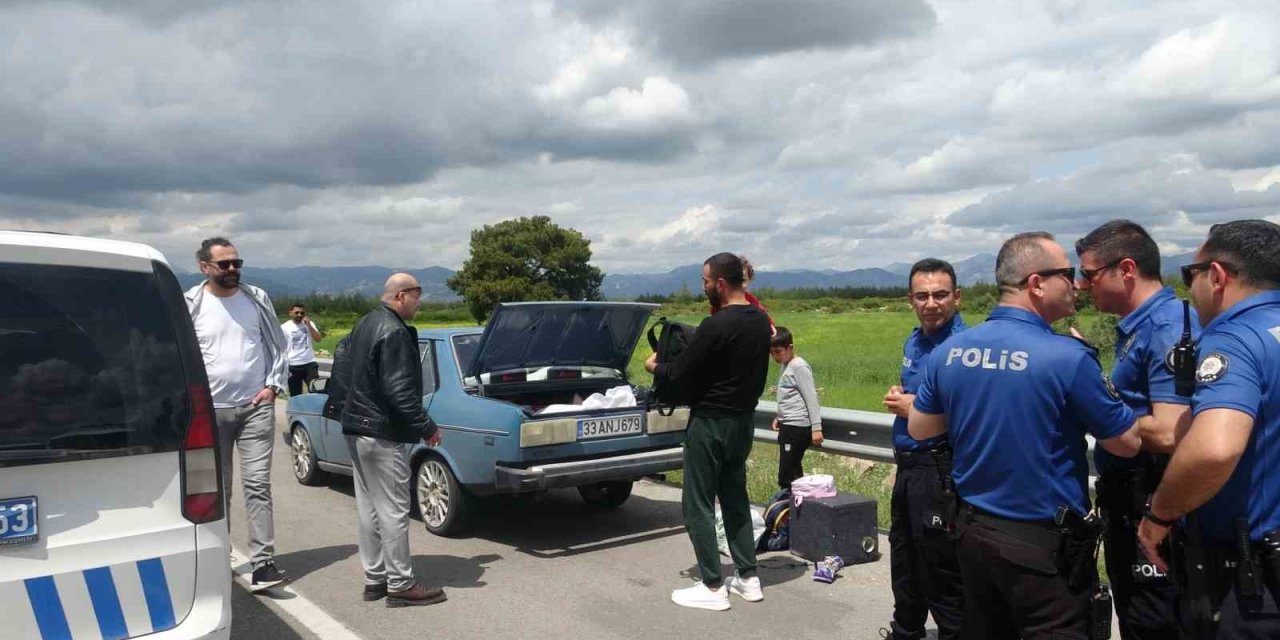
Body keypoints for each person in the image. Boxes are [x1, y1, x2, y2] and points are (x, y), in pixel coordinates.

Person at [909, 231, 1148, 639]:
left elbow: (921, 428)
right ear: (1036, 284)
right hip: (1043, 549)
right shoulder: (1068, 358)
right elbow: (1126, 444)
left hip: (972, 532)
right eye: (1067, 275)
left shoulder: (950, 350)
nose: (1075, 285)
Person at [1138, 220, 1280, 639]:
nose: (1189, 288)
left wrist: (1159, 515)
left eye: (1191, 274)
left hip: (1253, 581)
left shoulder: (1234, 339)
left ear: (1217, 276)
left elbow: (1213, 450)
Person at [1075, 220, 1194, 639]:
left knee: (1153, 617)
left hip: (1151, 491)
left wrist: (1095, 409)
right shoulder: (1140, 326)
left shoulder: (1163, 328)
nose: (1081, 285)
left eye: (1089, 274)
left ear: (1125, 269)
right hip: (1130, 492)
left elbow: (1170, 430)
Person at [644, 252, 772, 611]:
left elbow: (681, 372)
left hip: (710, 423)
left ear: (719, 283)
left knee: (697, 502)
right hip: (743, 422)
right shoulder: (760, 321)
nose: (703, 289)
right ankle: (748, 577)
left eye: (704, 282)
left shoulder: (715, 325)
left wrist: (655, 366)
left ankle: (712, 585)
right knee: (734, 497)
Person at [330, 273, 446, 608]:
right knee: (395, 510)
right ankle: (400, 584)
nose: (420, 302)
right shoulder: (394, 331)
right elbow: (400, 391)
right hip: (381, 431)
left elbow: (341, 361)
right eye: (417, 295)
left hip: (356, 427)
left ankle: (375, 579)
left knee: (368, 508)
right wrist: (426, 426)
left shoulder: (366, 322)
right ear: (400, 296)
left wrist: (343, 409)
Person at [185, 237, 291, 592]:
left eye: (237, 263)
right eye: (224, 264)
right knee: (218, 489)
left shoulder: (256, 298)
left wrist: (273, 386)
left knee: (258, 485)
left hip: (255, 407)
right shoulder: (191, 304)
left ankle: (263, 563)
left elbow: (278, 345)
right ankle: (219, 555)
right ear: (205, 268)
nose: (233, 269)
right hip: (209, 413)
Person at [881, 258, 966, 640]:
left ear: (957, 298)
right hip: (909, 468)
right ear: (911, 300)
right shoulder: (913, 341)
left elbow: (968, 412)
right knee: (905, 558)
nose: (931, 303)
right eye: (922, 296)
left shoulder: (965, 348)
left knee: (940, 568)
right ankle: (905, 631)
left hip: (940, 469)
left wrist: (912, 407)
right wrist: (903, 396)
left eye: (940, 295)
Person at [769, 326, 823, 491]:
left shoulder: (799, 366)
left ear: (790, 348)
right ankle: (797, 507)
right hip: (788, 424)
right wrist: (780, 416)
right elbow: (789, 396)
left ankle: (790, 507)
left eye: (778, 351)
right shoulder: (786, 365)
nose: (775, 356)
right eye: (771, 353)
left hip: (797, 426)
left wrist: (816, 427)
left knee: (788, 474)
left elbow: (810, 397)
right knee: (792, 471)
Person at [281, 303, 323, 396]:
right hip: (293, 365)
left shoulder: (309, 324)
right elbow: (281, 346)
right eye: (297, 313)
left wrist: (309, 326)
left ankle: (315, 410)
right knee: (296, 394)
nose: (299, 315)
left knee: (317, 390)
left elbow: (318, 339)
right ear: (290, 313)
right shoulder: (284, 327)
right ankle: (298, 410)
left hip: (309, 363)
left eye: (302, 313)